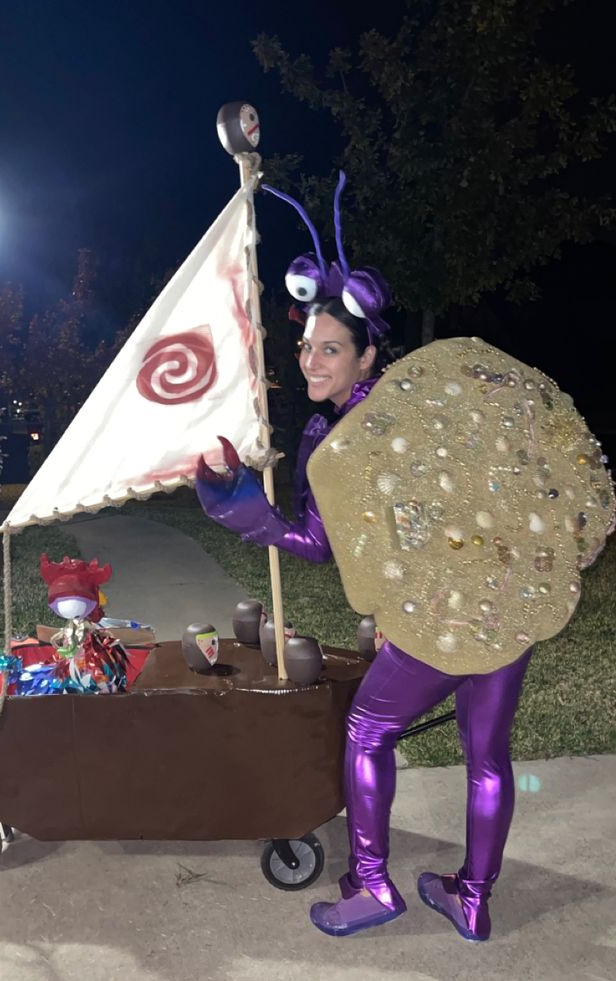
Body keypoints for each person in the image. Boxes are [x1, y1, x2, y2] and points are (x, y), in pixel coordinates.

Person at [196, 282, 532, 944]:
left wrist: (241, 504)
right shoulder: (426, 407)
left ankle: (374, 884)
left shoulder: (340, 433)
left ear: (367, 354)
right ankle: (472, 899)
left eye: (330, 349)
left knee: (367, 731)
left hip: (447, 612)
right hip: (508, 597)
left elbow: (318, 544)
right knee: (488, 757)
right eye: (304, 347)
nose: (311, 361)